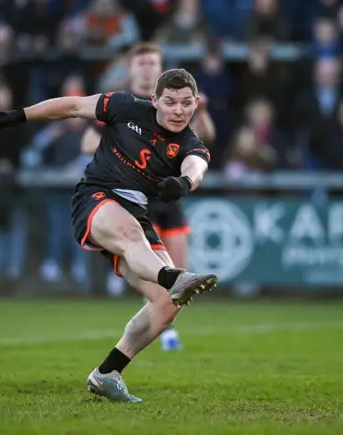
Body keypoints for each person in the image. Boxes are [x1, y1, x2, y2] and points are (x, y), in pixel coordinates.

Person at [0, 68, 218, 402]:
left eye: (186, 103)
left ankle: (108, 372)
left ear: (195, 104)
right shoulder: (125, 106)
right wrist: (20, 115)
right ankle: (173, 276)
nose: (178, 110)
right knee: (138, 241)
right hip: (96, 197)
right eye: (171, 102)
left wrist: (184, 182)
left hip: (137, 214)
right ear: (154, 101)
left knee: (166, 305)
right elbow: (73, 106)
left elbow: (197, 166)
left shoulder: (190, 143)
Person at [81, 43, 215, 350]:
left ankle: (165, 323)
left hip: (168, 192)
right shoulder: (123, 104)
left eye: (152, 63)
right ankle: (161, 329)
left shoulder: (177, 100)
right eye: (140, 63)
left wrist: (202, 113)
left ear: (160, 67)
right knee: (154, 264)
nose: (146, 68)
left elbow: (204, 143)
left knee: (179, 270)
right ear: (130, 69)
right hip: (131, 197)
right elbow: (87, 141)